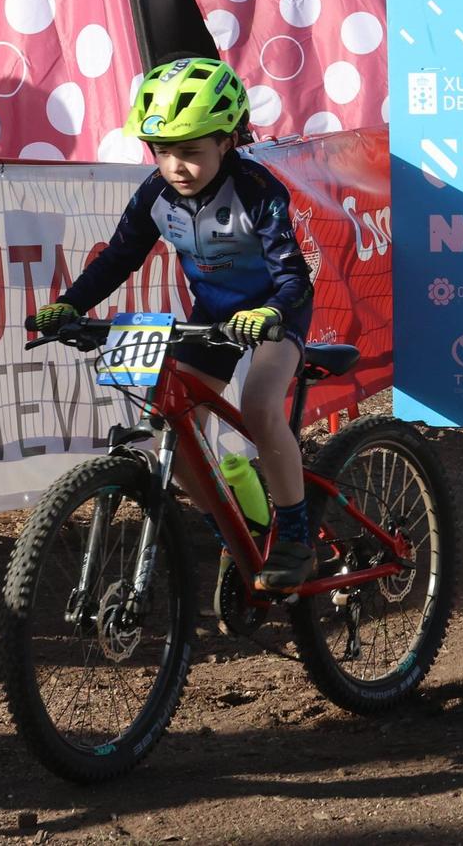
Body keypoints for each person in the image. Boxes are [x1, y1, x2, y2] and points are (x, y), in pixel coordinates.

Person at [30, 58, 324, 592]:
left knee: (259, 406)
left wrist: (272, 315)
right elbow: (119, 258)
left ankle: (296, 536)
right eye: (162, 151)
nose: (175, 166)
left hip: (275, 312)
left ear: (228, 141)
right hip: (212, 316)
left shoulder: (258, 191)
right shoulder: (154, 194)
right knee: (176, 430)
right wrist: (71, 304)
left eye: (190, 151)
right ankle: (234, 533)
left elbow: (295, 281)